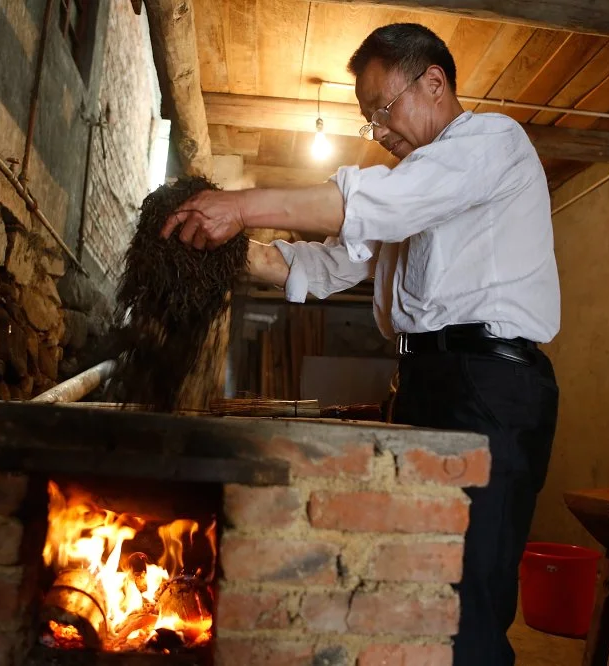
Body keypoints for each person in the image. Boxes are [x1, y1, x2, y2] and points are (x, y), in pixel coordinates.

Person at [161, 22, 560, 666]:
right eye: (369, 120)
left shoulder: (490, 142)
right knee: (412, 577)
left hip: (489, 387)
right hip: (427, 383)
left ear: (434, 81)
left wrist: (241, 204)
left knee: (466, 597)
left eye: (382, 109)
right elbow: (319, 267)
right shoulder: (416, 189)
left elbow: (378, 205)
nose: (379, 131)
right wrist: (222, 249)